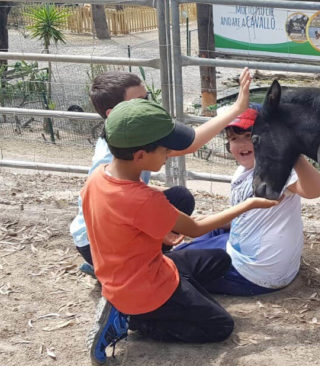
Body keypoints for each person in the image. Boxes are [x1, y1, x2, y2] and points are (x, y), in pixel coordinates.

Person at [83, 98, 279, 365]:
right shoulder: (144, 200)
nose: (169, 154)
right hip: (145, 291)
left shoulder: (100, 175)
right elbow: (196, 228)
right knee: (220, 327)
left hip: (144, 269)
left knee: (221, 260)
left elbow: (122, 223)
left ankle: (153, 299)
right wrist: (249, 204)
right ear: (140, 155)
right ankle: (134, 320)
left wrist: (158, 233)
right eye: (166, 149)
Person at [70, 69, 255, 277]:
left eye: (147, 98)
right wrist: (237, 108)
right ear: (113, 114)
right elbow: (106, 206)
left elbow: (126, 193)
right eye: (139, 101)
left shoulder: (129, 141)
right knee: (208, 257)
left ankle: (147, 258)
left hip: (115, 226)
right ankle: (127, 268)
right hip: (98, 242)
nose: (149, 105)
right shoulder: (111, 156)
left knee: (178, 197)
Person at [175, 107, 320, 295]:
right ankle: (183, 253)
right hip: (246, 252)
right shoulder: (243, 171)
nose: (242, 144)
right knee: (209, 228)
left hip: (255, 274)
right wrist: (203, 221)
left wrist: (294, 154)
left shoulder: (277, 169)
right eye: (234, 139)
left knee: (173, 266)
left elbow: (315, 191)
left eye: (249, 136)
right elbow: (240, 217)